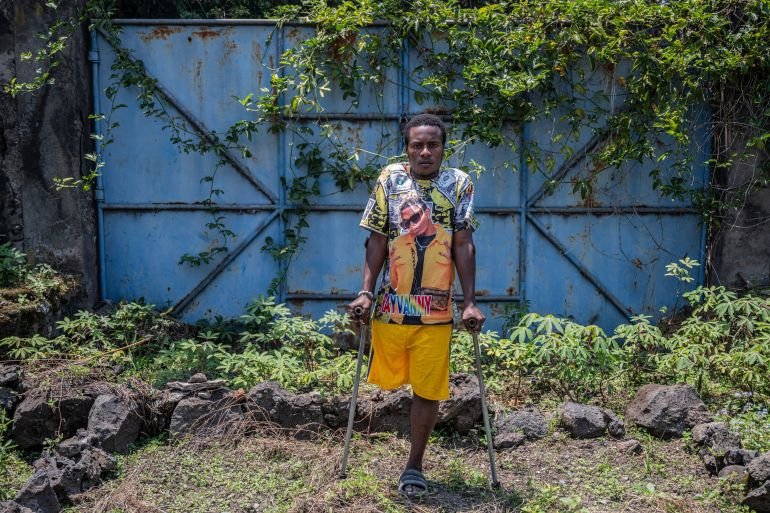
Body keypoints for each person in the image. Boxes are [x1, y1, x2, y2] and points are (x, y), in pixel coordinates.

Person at [348, 113, 485, 498]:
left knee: (428, 389)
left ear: (443, 148)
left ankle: (414, 466)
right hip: (391, 311)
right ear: (407, 148)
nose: (425, 152)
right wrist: (365, 292)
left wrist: (469, 303)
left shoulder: (459, 183)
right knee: (385, 385)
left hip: (436, 314)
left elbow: (463, 244)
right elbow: (377, 238)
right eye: (417, 145)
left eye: (433, 145)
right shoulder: (390, 179)